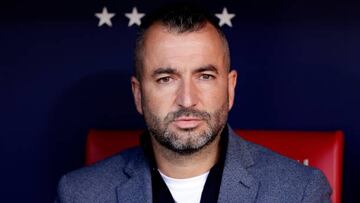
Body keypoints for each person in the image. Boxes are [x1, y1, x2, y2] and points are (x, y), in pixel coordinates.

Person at [56, 4, 331, 203]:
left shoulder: (300, 191)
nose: (187, 99)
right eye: (166, 78)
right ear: (138, 94)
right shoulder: (79, 195)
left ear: (230, 88)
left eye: (205, 76)